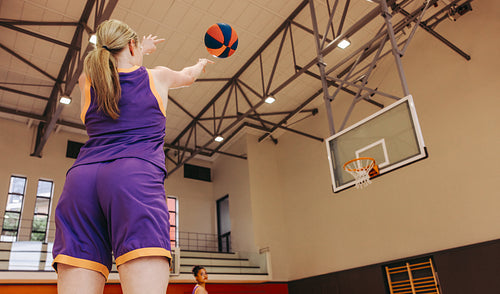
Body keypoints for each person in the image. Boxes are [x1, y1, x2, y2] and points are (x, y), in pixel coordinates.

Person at [52, 19, 212, 294]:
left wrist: (139, 48)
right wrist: (199, 65)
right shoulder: (157, 76)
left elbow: (115, 69)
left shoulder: (87, 81)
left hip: (81, 181)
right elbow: (187, 76)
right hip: (133, 177)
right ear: (130, 45)